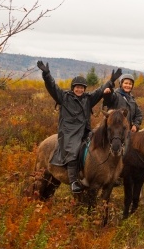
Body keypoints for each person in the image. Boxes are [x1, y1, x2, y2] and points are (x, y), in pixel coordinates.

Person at [37, 60, 121, 194]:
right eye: (77, 87)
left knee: (100, 144)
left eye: (82, 87)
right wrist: (46, 74)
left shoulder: (87, 98)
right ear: (72, 87)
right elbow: (52, 87)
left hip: (85, 130)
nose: (79, 89)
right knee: (74, 149)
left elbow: (99, 91)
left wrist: (111, 81)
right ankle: (74, 182)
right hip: (68, 132)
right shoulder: (64, 97)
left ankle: (104, 174)